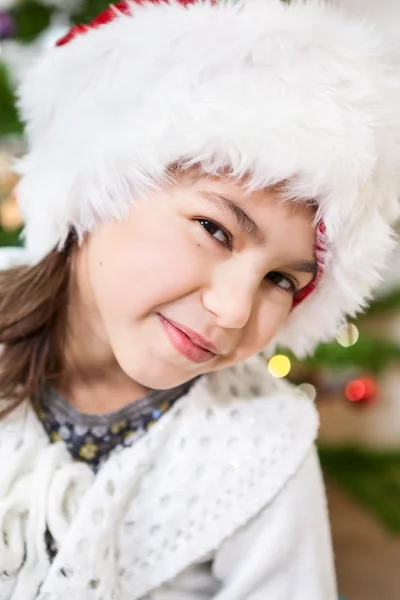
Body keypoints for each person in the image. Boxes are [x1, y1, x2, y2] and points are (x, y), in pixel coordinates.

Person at [0, 0, 399, 598]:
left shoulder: (259, 448)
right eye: (215, 230)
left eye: (282, 281)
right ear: (96, 190)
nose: (235, 311)